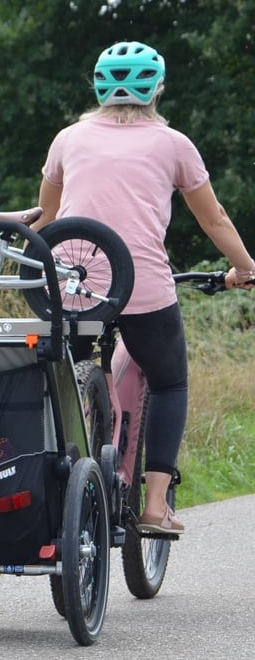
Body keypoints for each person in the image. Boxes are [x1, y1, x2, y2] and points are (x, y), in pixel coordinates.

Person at [34, 40, 254, 534]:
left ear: (97, 87)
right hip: (141, 287)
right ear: (157, 89)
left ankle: (57, 487)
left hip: (73, 284)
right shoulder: (174, 143)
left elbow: (45, 217)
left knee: (58, 382)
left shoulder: (68, 138)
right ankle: (155, 505)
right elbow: (214, 219)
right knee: (170, 379)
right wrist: (246, 267)